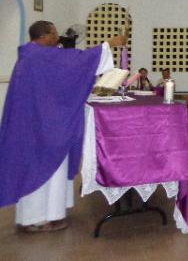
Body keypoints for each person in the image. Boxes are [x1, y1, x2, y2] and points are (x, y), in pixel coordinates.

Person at [0, 20, 126, 232]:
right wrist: (109, 44)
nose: (57, 36)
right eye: (54, 32)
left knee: (40, 169)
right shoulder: (40, 55)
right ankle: (37, 220)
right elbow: (76, 63)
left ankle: (46, 215)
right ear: (44, 35)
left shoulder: (30, 55)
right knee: (42, 170)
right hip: (45, 128)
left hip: (36, 124)